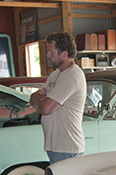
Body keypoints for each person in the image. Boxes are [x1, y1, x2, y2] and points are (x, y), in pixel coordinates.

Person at [29, 32, 86, 163]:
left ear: (64, 54)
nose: (48, 55)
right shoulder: (55, 75)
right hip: (55, 146)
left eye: (51, 52)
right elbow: (32, 99)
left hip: (67, 148)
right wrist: (42, 100)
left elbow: (46, 109)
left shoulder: (72, 76)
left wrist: (42, 100)